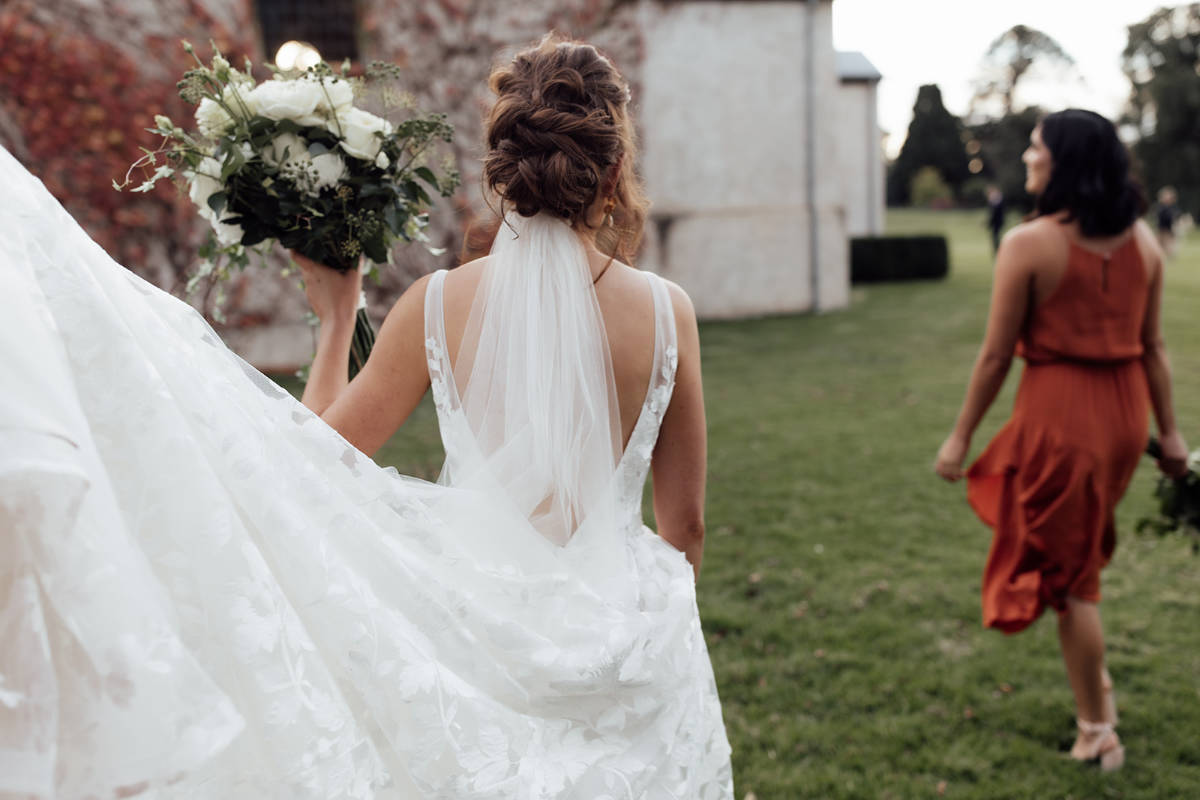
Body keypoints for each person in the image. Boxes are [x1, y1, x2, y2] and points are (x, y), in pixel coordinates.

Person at [0, 35, 734, 799]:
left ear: (502, 168)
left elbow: (304, 473)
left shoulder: (437, 307)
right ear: (614, 169)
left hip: (474, 630)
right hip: (622, 633)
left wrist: (336, 319)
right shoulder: (666, 312)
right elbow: (685, 527)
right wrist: (653, 640)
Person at [933, 109, 1189, 771]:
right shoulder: (1143, 242)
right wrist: (1169, 433)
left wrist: (960, 439)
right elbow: (1154, 347)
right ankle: (1094, 683)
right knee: (1077, 558)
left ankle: (1098, 728)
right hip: (1126, 413)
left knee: (1073, 579)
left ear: (1062, 161)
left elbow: (995, 359)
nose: (1027, 156)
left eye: (1037, 147)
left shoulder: (1028, 244)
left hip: (1063, 417)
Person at [1155, 185, 1180, 258]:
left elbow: (1174, 216)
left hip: (1168, 230)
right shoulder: (1161, 207)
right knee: (1159, 245)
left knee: (1168, 245)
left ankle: (1170, 257)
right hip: (1161, 229)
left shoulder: (1171, 207)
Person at [985, 184, 1006, 253]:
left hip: (997, 222)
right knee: (995, 237)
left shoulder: (996, 200)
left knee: (995, 237)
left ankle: (998, 250)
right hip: (997, 222)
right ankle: (998, 250)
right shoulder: (996, 199)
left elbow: (994, 214)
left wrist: (989, 223)